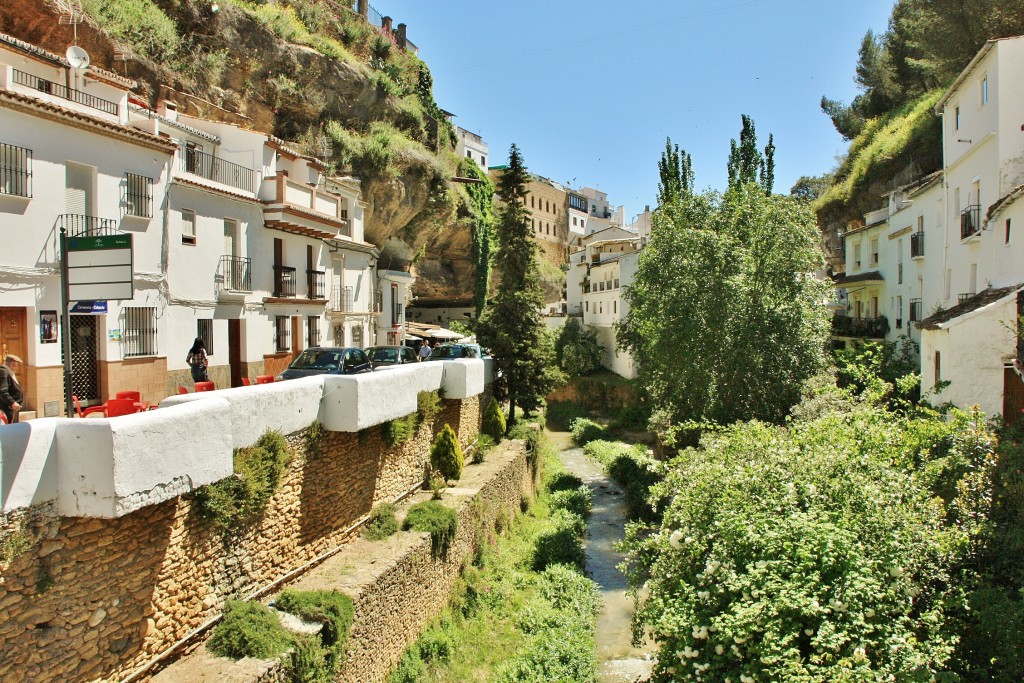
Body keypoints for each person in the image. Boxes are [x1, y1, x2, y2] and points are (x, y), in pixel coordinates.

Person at [0, 354, 25, 424]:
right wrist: (12, 403)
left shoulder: (9, 373)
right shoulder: (4, 372)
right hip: (8, 409)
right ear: (12, 365)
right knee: (9, 429)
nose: (17, 367)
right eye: (17, 365)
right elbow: (2, 391)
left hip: (12, 408)